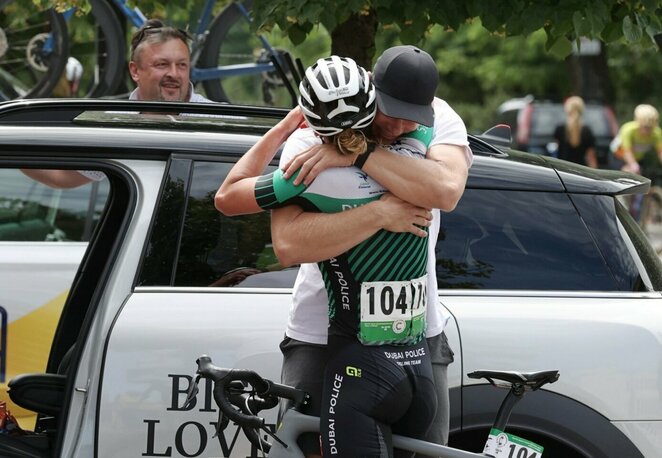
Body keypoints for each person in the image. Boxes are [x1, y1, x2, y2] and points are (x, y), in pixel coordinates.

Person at [218, 47, 472, 456]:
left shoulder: (436, 117)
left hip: (418, 332)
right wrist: (380, 213)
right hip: (321, 335)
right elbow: (288, 244)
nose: (402, 125)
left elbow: (445, 191)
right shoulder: (311, 145)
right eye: (391, 113)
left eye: (413, 116)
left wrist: (360, 152)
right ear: (370, 91)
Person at [128, 19, 212, 103]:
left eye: (181, 65)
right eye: (162, 64)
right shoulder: (118, 115)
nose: (174, 74)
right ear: (135, 71)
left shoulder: (217, 114)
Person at [615, 104, 662, 176]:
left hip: (638, 158)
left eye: (650, 128)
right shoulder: (628, 130)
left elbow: (660, 152)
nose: (647, 131)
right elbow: (627, 152)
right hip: (619, 156)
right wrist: (634, 166)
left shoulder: (657, 133)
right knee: (628, 174)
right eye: (644, 127)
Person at [553, 96, 598, 168]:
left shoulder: (560, 129)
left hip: (562, 170)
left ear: (567, 110)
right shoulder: (587, 131)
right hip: (581, 171)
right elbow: (591, 158)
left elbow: (556, 152)